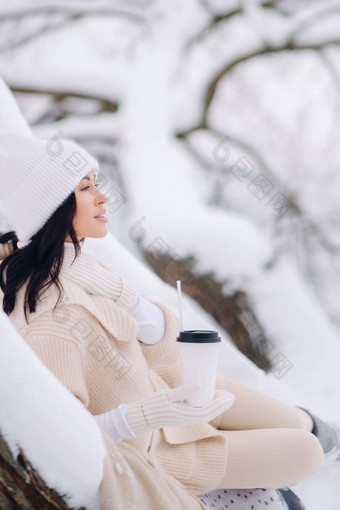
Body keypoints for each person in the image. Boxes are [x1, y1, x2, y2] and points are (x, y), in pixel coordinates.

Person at [0, 133, 337, 509]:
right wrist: (145, 415)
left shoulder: (85, 268)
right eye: (85, 187)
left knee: (299, 424)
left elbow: (161, 354)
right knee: (306, 450)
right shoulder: (48, 316)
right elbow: (70, 441)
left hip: (180, 388)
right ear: (54, 206)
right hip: (170, 449)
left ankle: (297, 461)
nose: (102, 196)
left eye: (96, 182)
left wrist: (127, 298)